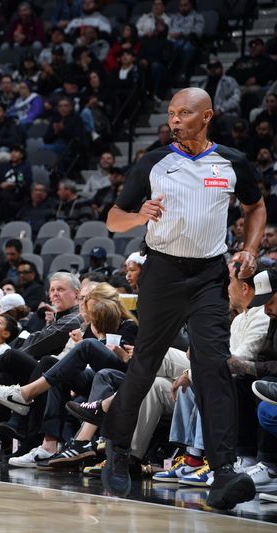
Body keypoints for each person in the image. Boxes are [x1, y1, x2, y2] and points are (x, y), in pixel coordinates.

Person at [99, 87, 266, 511]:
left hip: (210, 274)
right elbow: (114, 219)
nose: (175, 120)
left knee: (214, 367)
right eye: (172, 113)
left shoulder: (232, 161)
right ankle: (117, 448)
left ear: (206, 116)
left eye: (184, 113)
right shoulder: (154, 162)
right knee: (145, 363)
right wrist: (141, 215)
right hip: (163, 273)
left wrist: (250, 247)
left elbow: (256, 207)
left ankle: (224, 470)